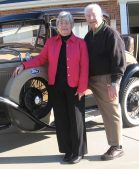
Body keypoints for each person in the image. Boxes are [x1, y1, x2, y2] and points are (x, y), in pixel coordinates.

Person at [13, 11, 89, 164]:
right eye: (61, 23)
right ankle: (68, 151)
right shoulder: (51, 42)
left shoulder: (80, 43)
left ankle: (78, 151)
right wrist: (24, 65)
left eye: (66, 23)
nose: (63, 26)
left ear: (71, 25)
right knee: (61, 121)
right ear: (57, 26)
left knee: (76, 120)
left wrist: (82, 88)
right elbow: (41, 59)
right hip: (56, 87)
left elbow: (85, 66)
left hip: (74, 88)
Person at [84, 4, 126, 161]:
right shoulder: (89, 36)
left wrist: (115, 82)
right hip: (90, 78)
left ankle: (117, 146)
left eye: (94, 15)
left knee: (111, 112)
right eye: (88, 16)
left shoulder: (111, 34)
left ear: (101, 16)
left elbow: (119, 60)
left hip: (106, 79)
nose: (91, 18)